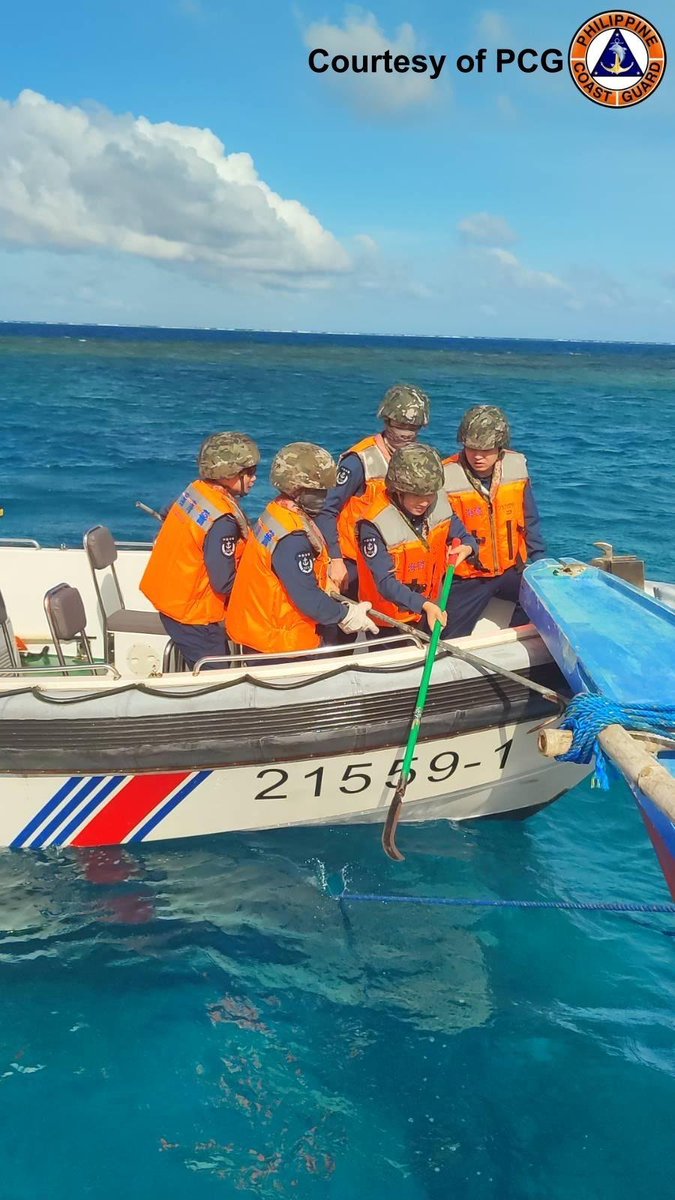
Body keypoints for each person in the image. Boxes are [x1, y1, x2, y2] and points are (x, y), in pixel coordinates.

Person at [226, 442, 378, 656]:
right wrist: (346, 615)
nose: (325, 498)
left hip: (260, 628)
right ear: (297, 490)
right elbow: (306, 597)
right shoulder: (292, 538)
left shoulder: (276, 512)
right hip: (278, 642)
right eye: (319, 492)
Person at [140, 432, 259, 668]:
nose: (254, 478)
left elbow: (167, 512)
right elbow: (224, 583)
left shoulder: (196, 491)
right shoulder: (222, 521)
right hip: (195, 616)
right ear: (228, 474)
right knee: (218, 679)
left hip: (171, 601)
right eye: (249, 472)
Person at [442, 405, 547, 638]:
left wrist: (539, 559)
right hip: (467, 576)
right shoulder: (446, 475)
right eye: (471, 449)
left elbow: (530, 518)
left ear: (500, 448)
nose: (478, 456)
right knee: (448, 637)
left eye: (486, 450)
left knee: (545, 600)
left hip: (510, 570)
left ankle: (516, 639)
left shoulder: (517, 467)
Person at [316, 384, 431, 596]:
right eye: (400, 425)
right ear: (387, 421)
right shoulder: (360, 461)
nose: (405, 433)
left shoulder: (420, 460)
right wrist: (335, 559)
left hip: (392, 563)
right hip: (354, 563)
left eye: (412, 428)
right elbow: (326, 510)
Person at [355, 444, 476, 639]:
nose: (424, 502)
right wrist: (424, 605)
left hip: (429, 608)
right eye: (417, 495)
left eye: (429, 495)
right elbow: (385, 583)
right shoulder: (373, 525)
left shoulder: (439, 504)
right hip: (390, 621)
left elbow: (463, 535)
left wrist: (468, 547)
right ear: (398, 490)